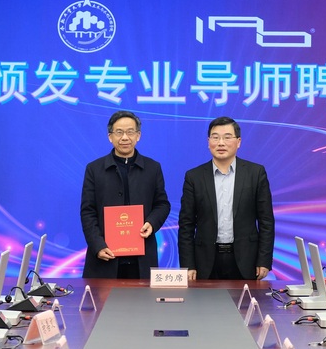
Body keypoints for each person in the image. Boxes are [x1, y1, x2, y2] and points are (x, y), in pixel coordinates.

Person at [178, 116, 275, 281]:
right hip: (205, 261)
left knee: (244, 299)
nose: (221, 143)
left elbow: (266, 221)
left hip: (246, 260)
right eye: (215, 137)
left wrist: (264, 260)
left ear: (238, 142)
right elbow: (186, 224)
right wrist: (188, 264)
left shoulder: (255, 173)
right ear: (208, 142)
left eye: (227, 137)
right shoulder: (194, 177)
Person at [80, 111, 171, 279]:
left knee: (143, 296)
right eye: (119, 132)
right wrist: (97, 245)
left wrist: (152, 223)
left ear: (138, 135)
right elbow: (88, 211)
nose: (125, 138)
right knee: (102, 297)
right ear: (110, 137)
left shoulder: (153, 168)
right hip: (105, 256)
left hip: (142, 258)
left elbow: (162, 204)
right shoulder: (94, 169)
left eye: (130, 132)